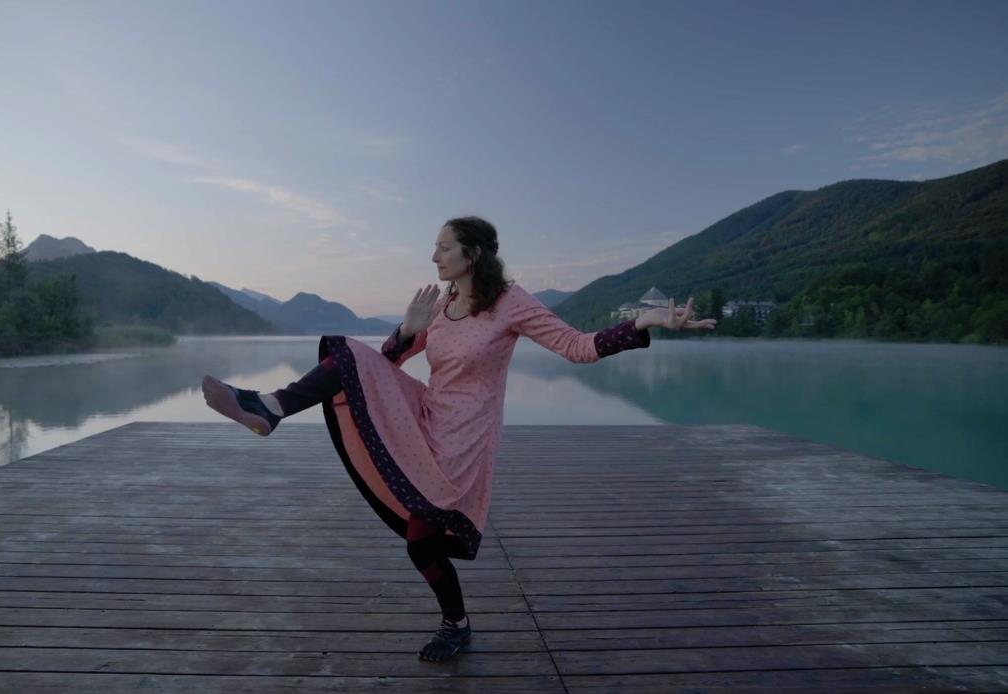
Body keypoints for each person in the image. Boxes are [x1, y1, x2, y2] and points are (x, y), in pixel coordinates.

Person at [203, 215, 717, 662]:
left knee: (420, 544)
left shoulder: (511, 302)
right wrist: (408, 331)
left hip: (466, 436)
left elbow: (576, 346)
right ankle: (270, 406)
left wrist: (644, 322)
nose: (434, 257)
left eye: (443, 247)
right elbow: (387, 363)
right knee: (350, 357)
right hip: (426, 414)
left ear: (471, 254)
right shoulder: (443, 304)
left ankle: (455, 624)